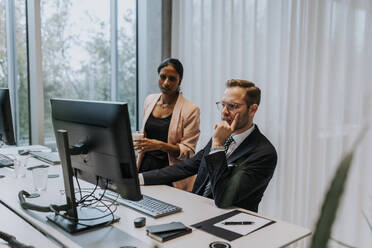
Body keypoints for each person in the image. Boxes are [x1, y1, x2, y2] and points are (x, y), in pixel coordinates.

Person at [139, 79, 277, 212]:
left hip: (229, 225)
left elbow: (223, 199)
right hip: (198, 211)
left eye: (233, 106)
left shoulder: (264, 153)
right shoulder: (221, 139)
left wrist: (218, 146)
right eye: (223, 105)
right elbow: (186, 167)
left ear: (252, 109)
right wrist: (138, 179)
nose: (224, 112)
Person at [134, 58, 200, 192]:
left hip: (170, 173)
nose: (166, 83)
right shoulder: (149, 100)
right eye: (162, 77)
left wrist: (160, 145)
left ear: (179, 81)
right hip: (145, 167)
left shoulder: (191, 110)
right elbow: (146, 133)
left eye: (172, 79)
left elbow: (188, 152)